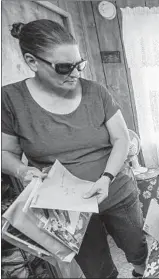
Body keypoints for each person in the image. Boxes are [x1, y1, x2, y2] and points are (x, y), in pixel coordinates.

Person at [1, 19, 147, 278]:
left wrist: (107, 177)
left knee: (138, 247)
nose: (76, 74)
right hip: (65, 207)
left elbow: (122, 139)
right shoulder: (11, 99)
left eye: (79, 64)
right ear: (32, 61)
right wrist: (22, 171)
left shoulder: (96, 93)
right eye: (64, 67)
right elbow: (5, 153)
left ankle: (139, 272)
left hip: (115, 190)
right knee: (95, 266)